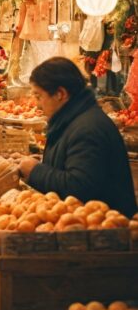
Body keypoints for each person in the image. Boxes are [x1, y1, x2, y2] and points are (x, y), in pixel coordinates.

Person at [19, 57, 137, 215]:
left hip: (105, 230)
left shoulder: (88, 129)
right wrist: (41, 163)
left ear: (60, 94)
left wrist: (35, 171)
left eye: (39, 96)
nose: (37, 104)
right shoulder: (73, 119)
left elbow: (79, 188)